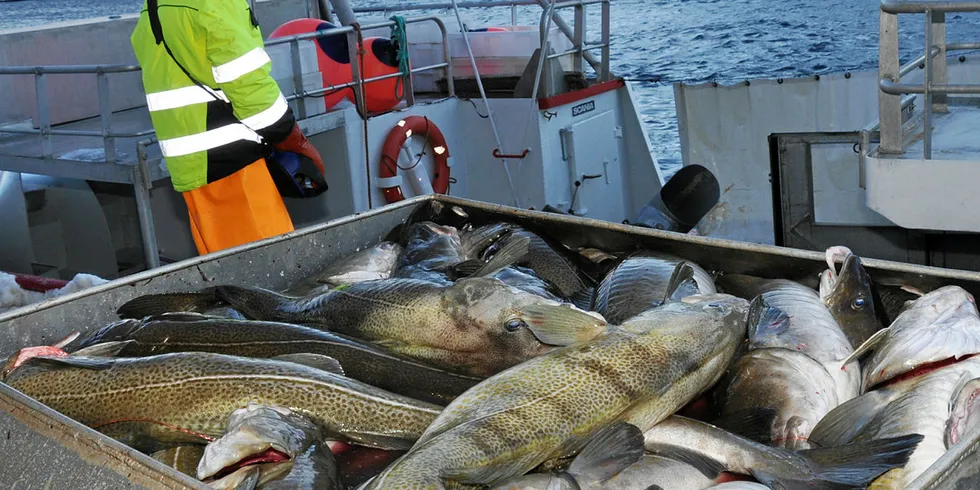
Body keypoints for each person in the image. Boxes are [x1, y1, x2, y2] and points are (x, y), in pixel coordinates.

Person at [130, 0, 326, 255]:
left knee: (227, 273)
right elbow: (249, 86)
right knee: (272, 269)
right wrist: (297, 142)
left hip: (192, 166)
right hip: (236, 163)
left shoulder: (154, 5)